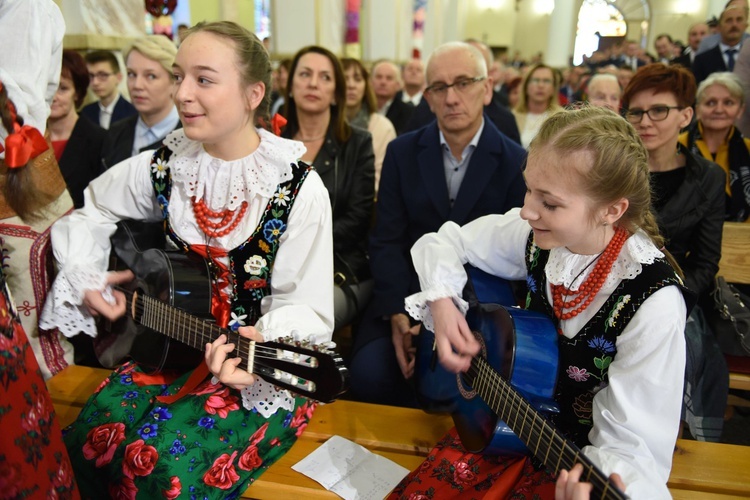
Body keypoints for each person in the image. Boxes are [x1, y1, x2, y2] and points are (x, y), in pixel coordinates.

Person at [39, 21, 333, 497]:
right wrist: (85, 275)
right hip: (171, 349)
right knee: (93, 437)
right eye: (179, 76)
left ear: (253, 93)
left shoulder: (295, 187)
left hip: (259, 372)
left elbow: (310, 309)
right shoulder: (170, 166)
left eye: (204, 79)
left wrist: (255, 355)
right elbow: (95, 206)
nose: (182, 93)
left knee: (158, 468)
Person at [391, 106, 691, 499]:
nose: (527, 210)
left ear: (612, 210)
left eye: (549, 203)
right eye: (528, 188)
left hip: (572, 464)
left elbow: (631, 448)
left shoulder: (654, 303)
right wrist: (444, 306)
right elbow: (445, 241)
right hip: (502, 433)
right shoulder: (540, 235)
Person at [348, 41, 526, 407]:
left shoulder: (515, 161)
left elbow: (512, 261)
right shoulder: (403, 152)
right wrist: (399, 312)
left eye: (463, 83)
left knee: (461, 395)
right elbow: (386, 239)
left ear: (487, 88)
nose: (451, 98)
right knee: (369, 374)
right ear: (427, 98)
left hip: (476, 306)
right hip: (403, 293)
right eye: (440, 88)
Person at [621, 63, 727, 442]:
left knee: (689, 356)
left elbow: (705, 262)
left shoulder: (709, 178)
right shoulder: (612, 171)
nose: (645, 121)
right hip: (609, 290)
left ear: (685, 115)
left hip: (677, 295)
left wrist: (672, 302)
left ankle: (670, 443)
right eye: (636, 111)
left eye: (659, 110)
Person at [0, 1, 79, 497]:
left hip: (17, 180)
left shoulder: (29, 7)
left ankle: (54, 427)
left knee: (35, 331)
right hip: (16, 180)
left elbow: (18, 102)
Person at [280, 46, 374, 329]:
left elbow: (357, 220)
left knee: (296, 325)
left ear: (336, 93)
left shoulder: (357, 143)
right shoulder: (270, 141)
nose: (312, 83)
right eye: (305, 74)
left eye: (325, 77)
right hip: (272, 268)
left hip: (338, 268)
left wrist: (289, 246)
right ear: (291, 86)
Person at [102, 34, 180, 169]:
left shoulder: (192, 137)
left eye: (151, 76)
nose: (137, 85)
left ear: (173, 82)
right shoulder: (116, 132)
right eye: (131, 74)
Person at [680, 72, 750, 222]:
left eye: (728, 103)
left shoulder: (748, 150)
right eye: (710, 102)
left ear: (740, 110)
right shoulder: (676, 147)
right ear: (697, 109)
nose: (719, 109)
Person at [47, 49, 106, 208]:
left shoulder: (98, 139)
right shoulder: (29, 135)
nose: (54, 96)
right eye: (48, 87)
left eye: (63, 88)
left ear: (77, 93)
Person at [342, 57, 396, 193]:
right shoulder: (321, 125)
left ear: (366, 85)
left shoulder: (382, 127)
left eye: (357, 79)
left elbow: (382, 180)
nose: (351, 85)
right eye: (344, 78)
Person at [692, 2, 748, 85]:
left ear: (745, 26)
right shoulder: (702, 60)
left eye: (739, 20)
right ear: (719, 27)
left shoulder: (748, 56)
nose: (734, 24)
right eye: (729, 20)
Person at [80, 50, 137, 130]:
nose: (95, 82)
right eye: (91, 76)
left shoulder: (133, 113)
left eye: (103, 75)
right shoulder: (86, 113)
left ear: (118, 77)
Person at [513, 63, 564, 148]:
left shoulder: (562, 118)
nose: (541, 85)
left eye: (546, 81)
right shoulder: (512, 116)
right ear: (526, 86)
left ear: (553, 89)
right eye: (536, 80)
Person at [371, 59, 414, 134]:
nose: (383, 82)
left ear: (398, 85)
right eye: (379, 77)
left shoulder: (409, 113)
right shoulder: (360, 108)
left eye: (389, 78)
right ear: (370, 82)